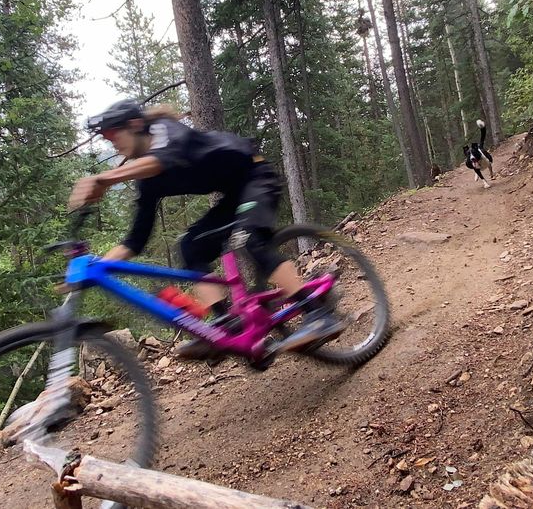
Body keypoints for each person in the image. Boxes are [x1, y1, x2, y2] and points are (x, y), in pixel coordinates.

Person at [68, 99, 345, 360]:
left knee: (249, 238)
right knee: (190, 246)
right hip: (234, 195)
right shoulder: (146, 181)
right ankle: (226, 323)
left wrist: (104, 179)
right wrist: (96, 268)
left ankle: (317, 313)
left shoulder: (164, 130)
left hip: (256, 176)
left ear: (135, 125)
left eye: (113, 134)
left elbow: (162, 160)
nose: (112, 143)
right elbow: (135, 241)